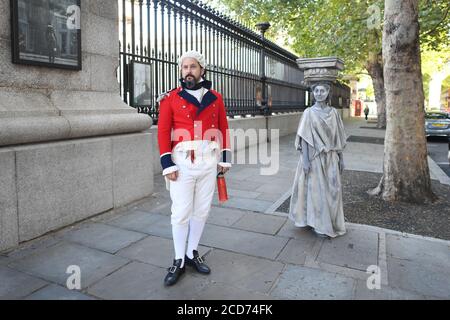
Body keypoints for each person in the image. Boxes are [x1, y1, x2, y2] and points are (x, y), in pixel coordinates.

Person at [157, 50, 232, 286]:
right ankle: (178, 259)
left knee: (201, 211)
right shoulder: (170, 98)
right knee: (181, 212)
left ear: (202, 69)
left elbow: (223, 128)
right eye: (184, 67)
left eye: (192, 66)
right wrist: (167, 164)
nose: (188, 71)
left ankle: (192, 253)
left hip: (208, 162)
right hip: (182, 162)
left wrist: (224, 158)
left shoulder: (216, 97)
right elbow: (162, 131)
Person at [289, 82, 347, 238]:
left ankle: (331, 223)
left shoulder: (334, 113)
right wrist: (306, 161)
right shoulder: (309, 112)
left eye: (323, 91)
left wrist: (341, 158)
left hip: (331, 158)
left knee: (333, 192)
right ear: (313, 93)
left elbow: (339, 137)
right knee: (316, 193)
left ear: (328, 93)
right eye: (317, 91)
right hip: (314, 158)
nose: (319, 93)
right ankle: (319, 225)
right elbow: (305, 139)